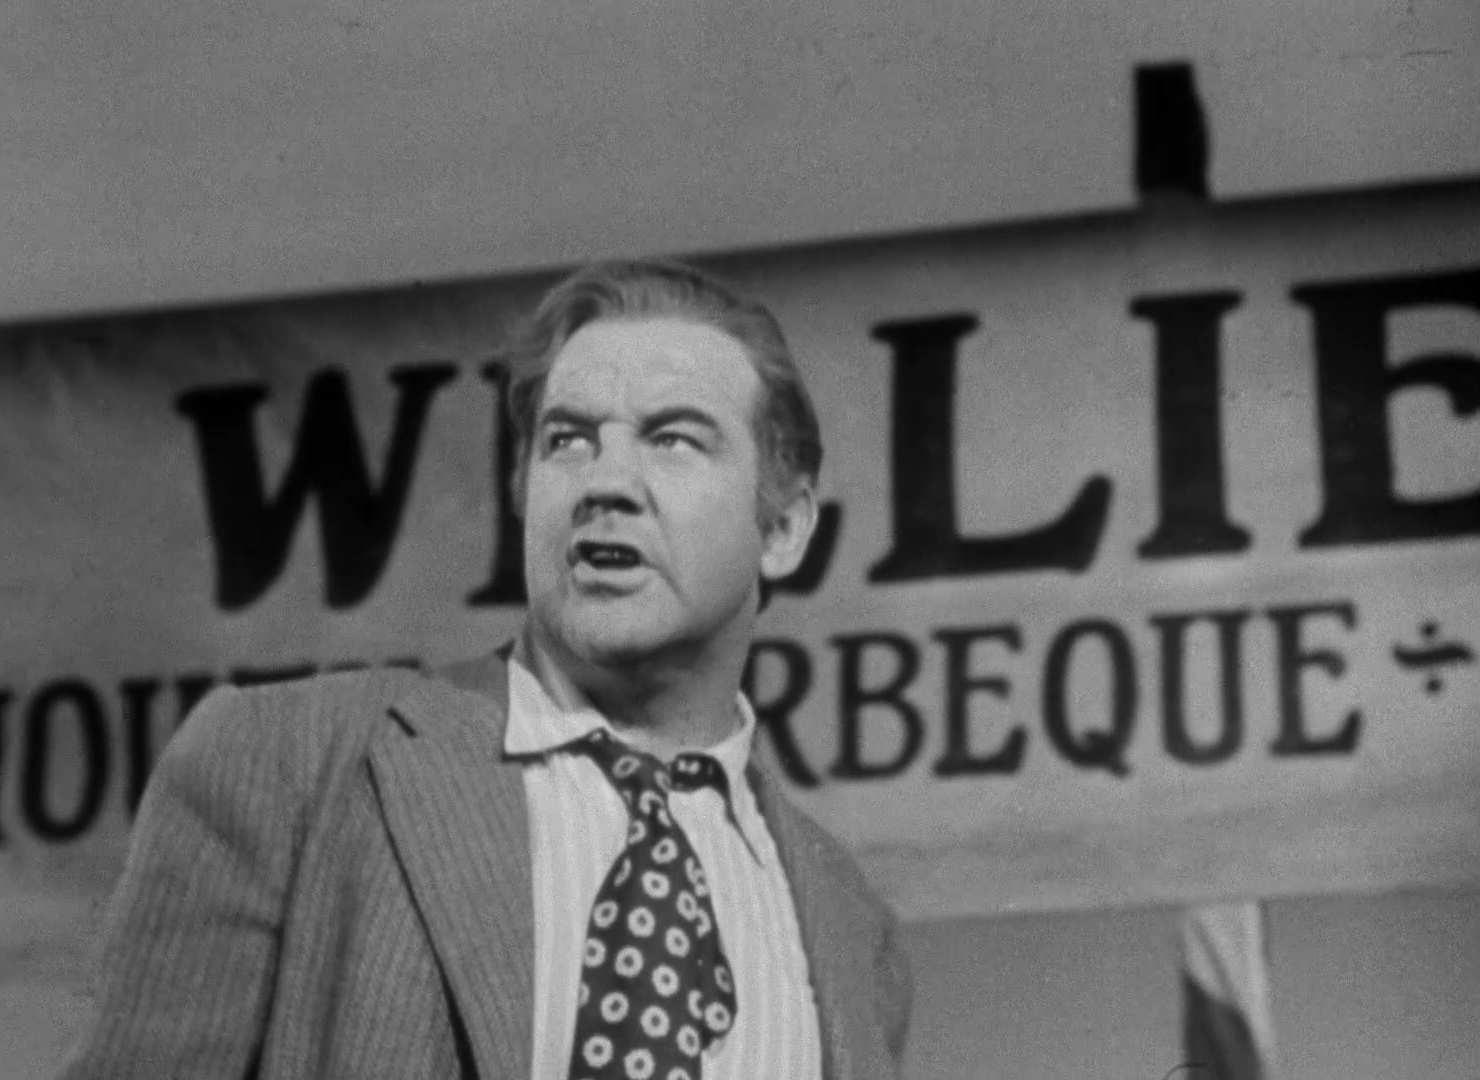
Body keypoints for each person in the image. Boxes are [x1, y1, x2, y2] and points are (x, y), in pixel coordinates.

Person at [59, 259, 912, 1080]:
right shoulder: (287, 762)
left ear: (783, 529)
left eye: (673, 440)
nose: (607, 482)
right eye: (568, 440)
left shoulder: (850, 926)